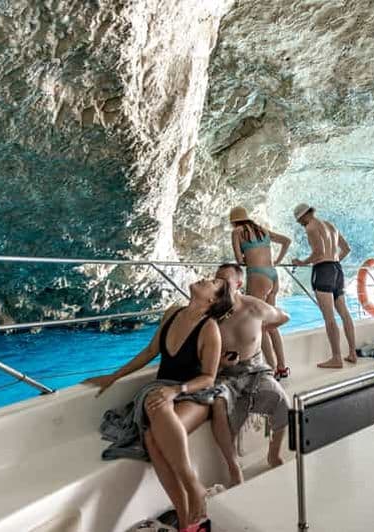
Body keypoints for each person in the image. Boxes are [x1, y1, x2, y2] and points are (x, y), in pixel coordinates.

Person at [84, 277, 233, 532]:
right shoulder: (172, 313)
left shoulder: (210, 329)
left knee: (159, 406)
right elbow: (150, 351)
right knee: (153, 437)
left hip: (194, 394)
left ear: (213, 300)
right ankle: (188, 520)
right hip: (164, 389)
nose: (205, 278)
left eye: (212, 282)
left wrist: (177, 390)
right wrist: (114, 376)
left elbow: (209, 377)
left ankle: (193, 487)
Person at [212, 263, 291, 485]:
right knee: (218, 403)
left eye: (224, 280)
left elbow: (284, 317)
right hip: (224, 373)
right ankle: (233, 465)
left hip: (255, 369)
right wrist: (219, 362)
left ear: (238, 284)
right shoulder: (213, 311)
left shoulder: (254, 306)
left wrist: (260, 331)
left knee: (281, 399)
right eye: (216, 279)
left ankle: (273, 454)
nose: (218, 284)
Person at [291, 203, 357, 368]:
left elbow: (319, 253)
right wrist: (333, 263)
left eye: (299, 221)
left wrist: (302, 262)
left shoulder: (311, 228)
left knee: (329, 317)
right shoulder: (329, 225)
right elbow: (346, 249)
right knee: (345, 314)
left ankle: (336, 358)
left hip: (323, 271)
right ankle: (352, 352)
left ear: (303, 216)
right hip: (337, 268)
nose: (301, 224)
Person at [229, 206, 292, 379]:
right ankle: (282, 367)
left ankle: (270, 370)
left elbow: (238, 259)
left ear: (234, 221)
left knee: (260, 325)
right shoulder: (262, 230)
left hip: (257, 276)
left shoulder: (237, 232)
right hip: (273, 275)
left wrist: (246, 257)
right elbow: (287, 241)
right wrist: (277, 260)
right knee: (272, 324)